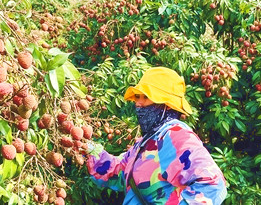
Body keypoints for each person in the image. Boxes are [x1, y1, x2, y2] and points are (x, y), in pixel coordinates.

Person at [86, 67, 227, 204]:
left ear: (167, 105)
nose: (138, 103)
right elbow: (117, 172)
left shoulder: (176, 136)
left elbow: (214, 184)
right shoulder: (146, 142)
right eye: (137, 96)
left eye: (146, 97)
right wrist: (86, 147)